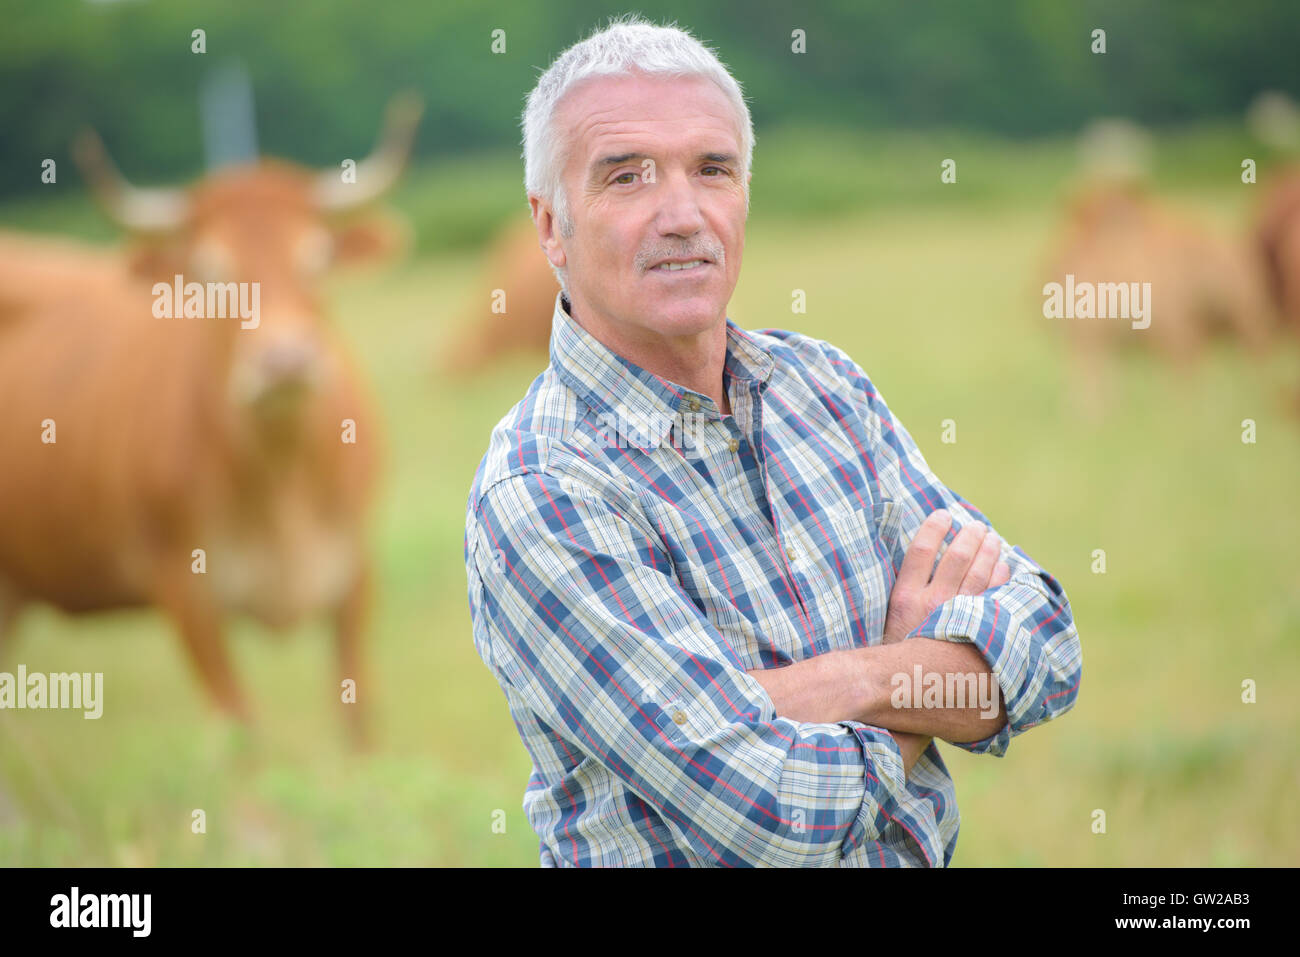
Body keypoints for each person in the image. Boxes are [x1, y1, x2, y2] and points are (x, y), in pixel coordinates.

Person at [463, 14, 1081, 867]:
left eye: (712, 169)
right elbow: (775, 812)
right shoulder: (544, 487)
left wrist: (853, 677)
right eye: (626, 177)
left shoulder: (823, 388)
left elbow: (1047, 644)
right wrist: (922, 670)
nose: (682, 215)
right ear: (549, 226)